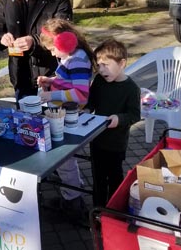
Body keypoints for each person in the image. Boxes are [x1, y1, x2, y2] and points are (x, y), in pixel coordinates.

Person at [36, 18, 94, 218]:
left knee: (63, 158)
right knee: (66, 159)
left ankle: (72, 202)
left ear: (64, 43)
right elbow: (68, 81)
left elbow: (80, 94)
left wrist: (51, 95)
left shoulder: (77, 60)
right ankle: (73, 188)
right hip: (63, 114)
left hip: (69, 117)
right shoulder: (73, 57)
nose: (52, 54)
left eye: (52, 49)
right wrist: (52, 80)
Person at [87, 38, 140, 207]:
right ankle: (98, 211)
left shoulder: (131, 89)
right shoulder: (99, 81)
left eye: (106, 65)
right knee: (98, 179)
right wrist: (86, 111)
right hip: (97, 140)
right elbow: (91, 102)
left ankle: (115, 208)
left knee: (115, 177)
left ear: (122, 63)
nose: (101, 70)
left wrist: (119, 119)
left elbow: (134, 114)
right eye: (99, 65)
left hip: (116, 144)